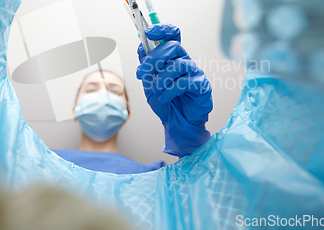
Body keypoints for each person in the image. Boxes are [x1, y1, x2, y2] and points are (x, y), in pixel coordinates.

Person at [53, 24, 213, 174]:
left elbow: (202, 193)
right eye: (91, 89)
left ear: (126, 113)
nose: (103, 96)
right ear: (75, 109)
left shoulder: (153, 175)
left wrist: (190, 140)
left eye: (114, 91)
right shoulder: (45, 160)